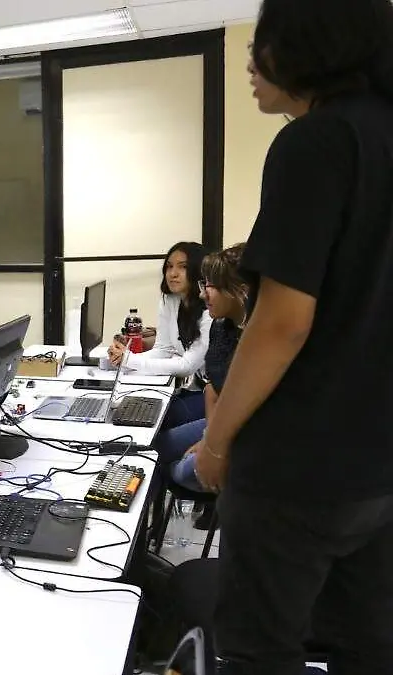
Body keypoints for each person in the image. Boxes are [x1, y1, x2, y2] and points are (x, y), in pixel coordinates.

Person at [191, 1, 393, 672]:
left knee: (259, 652)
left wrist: (217, 441)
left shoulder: (316, 142)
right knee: (367, 647)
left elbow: (282, 322)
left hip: (298, 467)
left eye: (263, 42)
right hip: (377, 465)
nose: (251, 62)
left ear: (310, 44)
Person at [109, 242, 212, 450]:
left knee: (152, 430)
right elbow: (163, 349)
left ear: (197, 270)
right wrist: (125, 360)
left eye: (182, 267)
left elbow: (187, 366)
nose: (173, 274)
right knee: (132, 412)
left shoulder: (210, 310)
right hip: (196, 390)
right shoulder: (170, 299)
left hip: (213, 397)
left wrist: (131, 360)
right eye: (169, 267)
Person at [166, 245, 247, 493]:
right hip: (220, 422)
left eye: (210, 286)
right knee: (158, 449)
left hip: (248, 434)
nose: (202, 294)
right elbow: (213, 388)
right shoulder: (221, 327)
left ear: (239, 290)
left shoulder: (260, 337)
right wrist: (208, 439)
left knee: (179, 471)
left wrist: (215, 449)